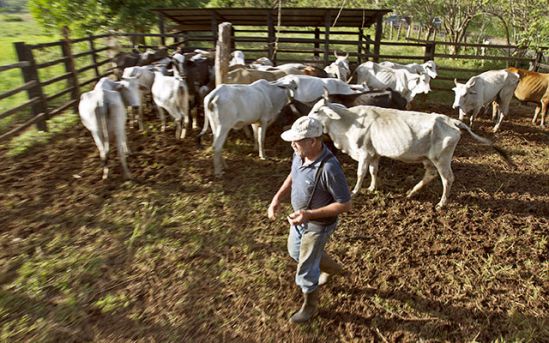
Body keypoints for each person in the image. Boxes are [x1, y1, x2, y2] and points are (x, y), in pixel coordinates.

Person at [267, 116, 352, 324]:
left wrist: (309, 215)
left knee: (305, 267)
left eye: (297, 140)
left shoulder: (329, 169)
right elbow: (293, 175)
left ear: (313, 141)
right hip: (299, 219)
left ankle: (310, 307)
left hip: (318, 224)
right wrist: (277, 198)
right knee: (295, 251)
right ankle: (333, 269)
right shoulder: (300, 154)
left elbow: (345, 205)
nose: (292, 144)